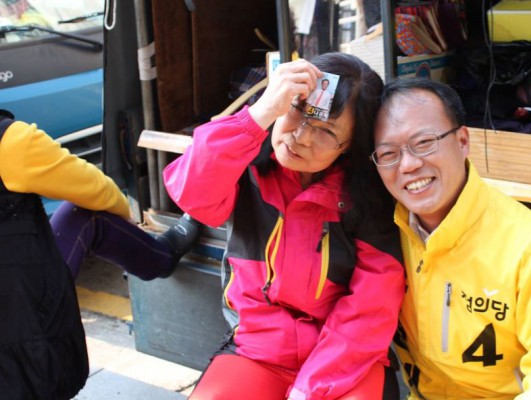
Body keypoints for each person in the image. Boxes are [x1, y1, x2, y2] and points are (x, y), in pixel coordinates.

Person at [162, 52, 405, 400]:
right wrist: (259, 114)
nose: (301, 137)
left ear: (352, 145)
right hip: (257, 349)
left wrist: (308, 389)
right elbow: (192, 195)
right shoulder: (247, 163)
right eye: (297, 111)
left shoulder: (369, 199)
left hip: (345, 360)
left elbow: (372, 309)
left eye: (326, 131)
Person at [371, 78, 531, 399]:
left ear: (463, 141)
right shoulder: (382, 231)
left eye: (424, 142)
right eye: (388, 153)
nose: (408, 165)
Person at [0, 110, 199, 399]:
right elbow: (94, 187)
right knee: (85, 214)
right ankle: (161, 256)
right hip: (20, 334)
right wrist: (125, 214)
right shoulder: (11, 142)